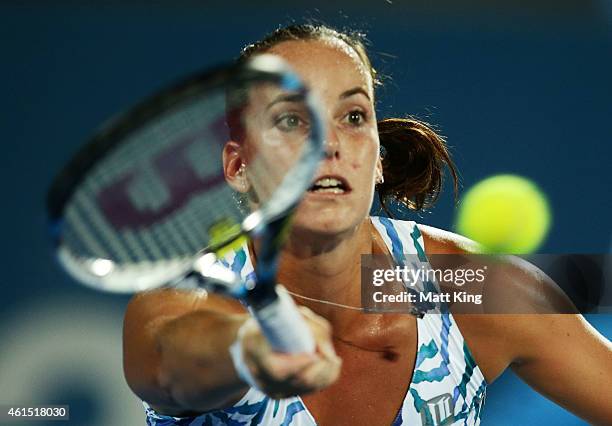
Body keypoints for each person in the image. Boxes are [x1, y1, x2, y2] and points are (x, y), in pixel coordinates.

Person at [122, 24, 612, 425]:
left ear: (377, 159)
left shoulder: (469, 286)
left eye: (353, 116)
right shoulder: (184, 301)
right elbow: (167, 359)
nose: (328, 143)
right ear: (238, 166)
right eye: (290, 121)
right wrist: (249, 347)